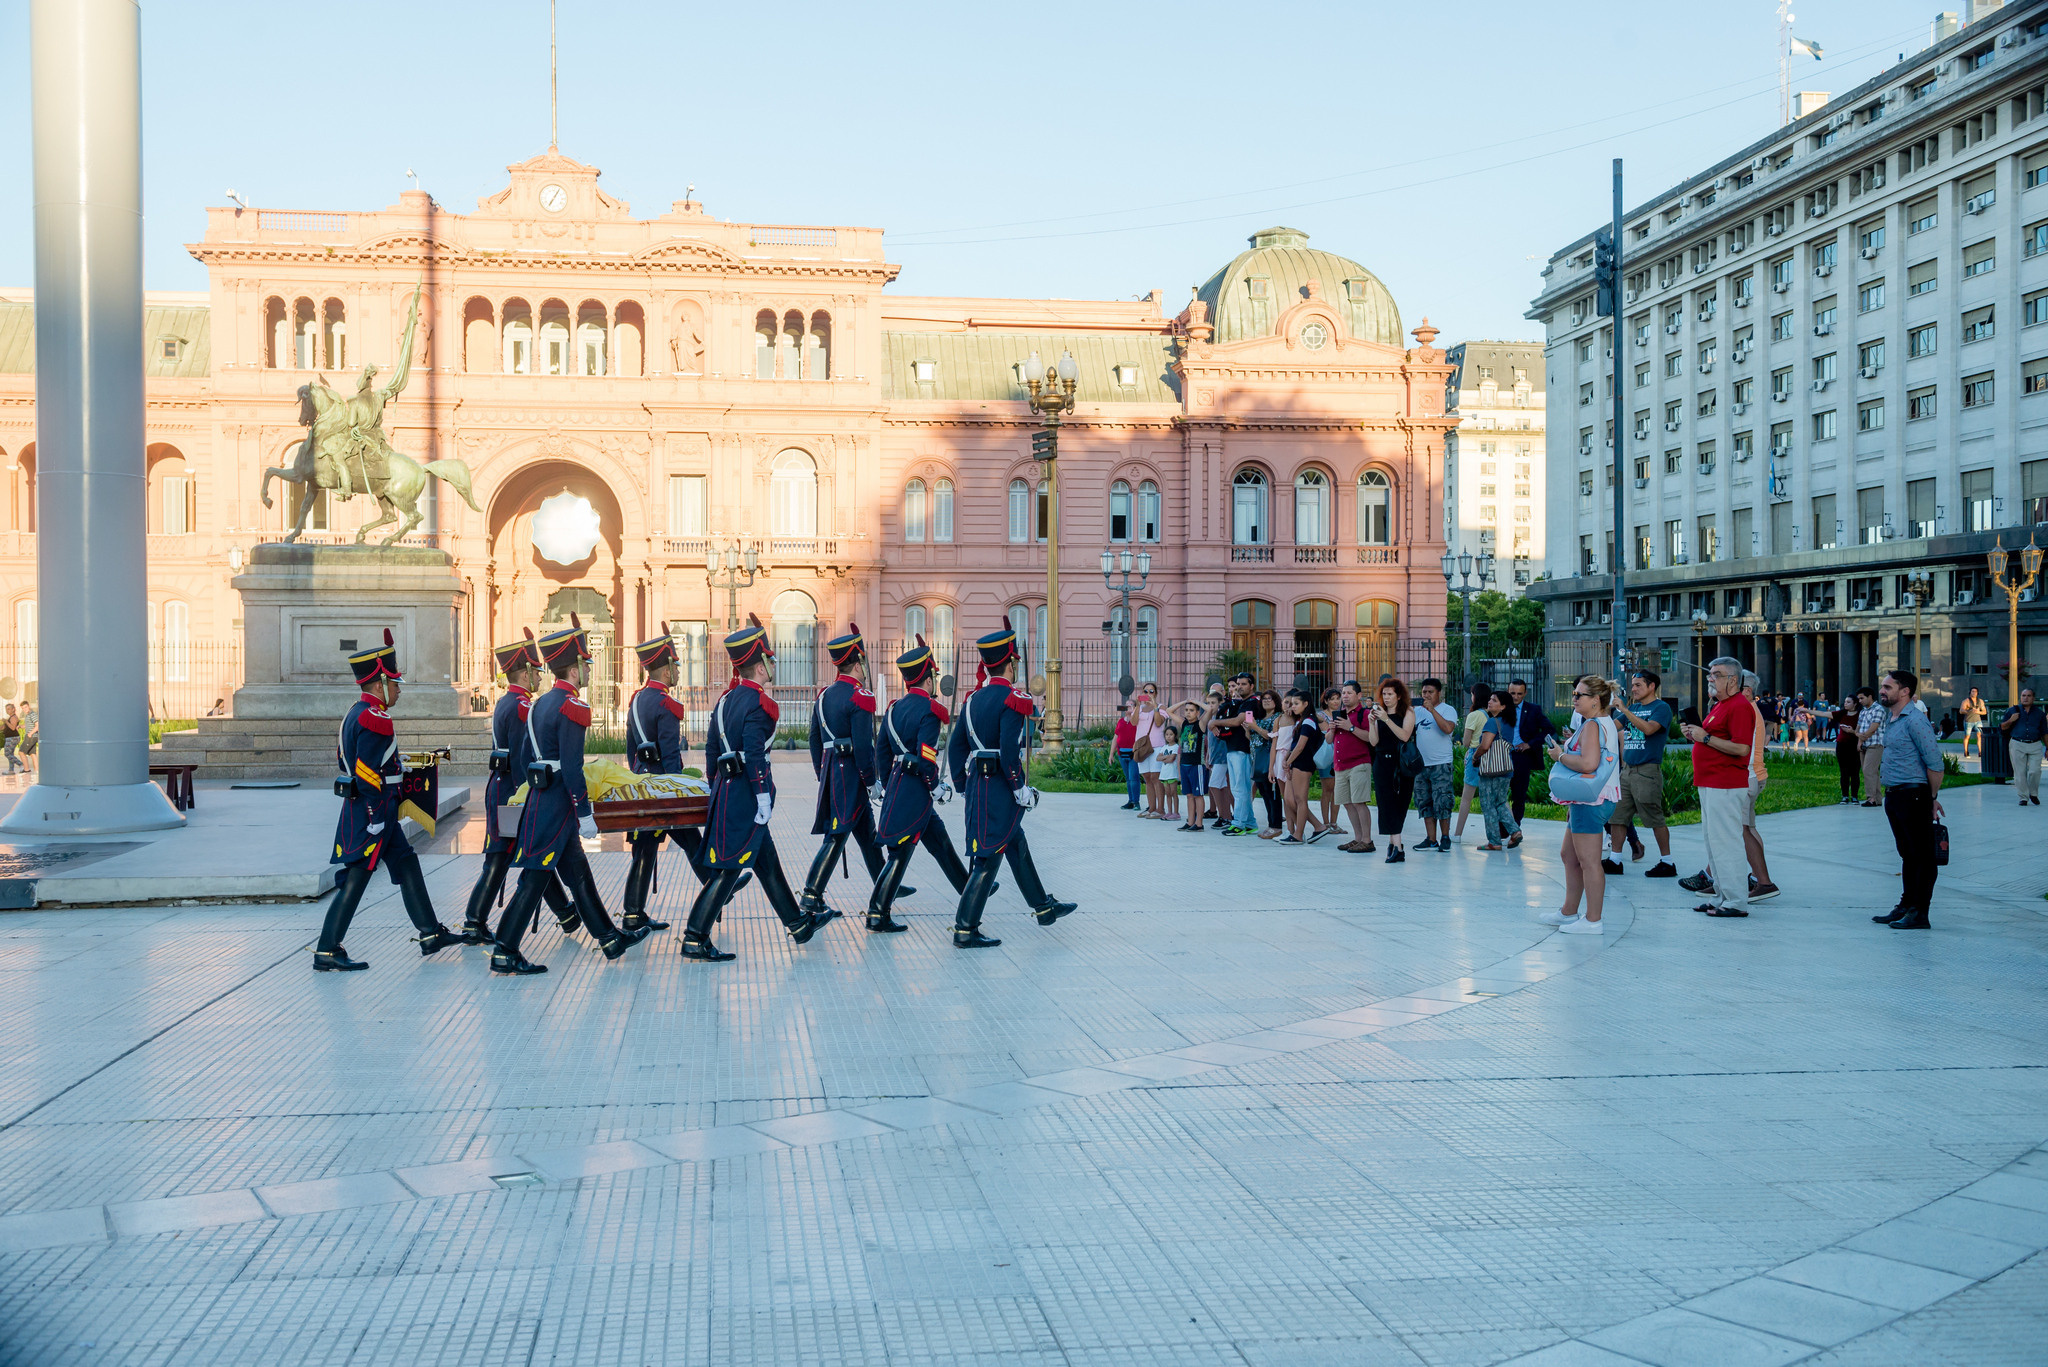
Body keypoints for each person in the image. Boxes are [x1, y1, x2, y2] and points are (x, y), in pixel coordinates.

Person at [488, 618, 649, 975]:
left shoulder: (540, 703)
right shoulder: (572, 706)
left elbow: (527, 760)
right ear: (575, 670)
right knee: (533, 879)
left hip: (541, 800)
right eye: (586, 664)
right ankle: (504, 948)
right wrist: (584, 811)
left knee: (578, 874)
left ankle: (609, 938)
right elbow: (573, 767)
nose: (589, 669)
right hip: (558, 806)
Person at [680, 615, 837, 962]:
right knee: (728, 869)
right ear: (760, 665)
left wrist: (715, 785)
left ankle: (798, 925)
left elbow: (710, 750)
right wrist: (762, 794)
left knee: (767, 862)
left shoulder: (724, 700)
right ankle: (694, 936)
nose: (774, 662)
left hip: (726, 791)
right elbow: (755, 754)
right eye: (770, 657)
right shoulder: (759, 702)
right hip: (746, 797)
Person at [313, 629, 465, 972]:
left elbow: (349, 759)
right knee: (356, 879)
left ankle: (430, 933)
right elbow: (367, 772)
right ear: (379, 682)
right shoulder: (375, 717)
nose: (399, 688)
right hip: (373, 813)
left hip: (377, 812)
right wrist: (375, 815)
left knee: (406, 863)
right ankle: (327, 949)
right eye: (394, 682)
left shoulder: (356, 712)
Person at [946, 627, 1077, 946]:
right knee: (989, 857)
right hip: (1000, 788)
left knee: (1015, 842)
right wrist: (1021, 790)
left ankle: (1043, 907)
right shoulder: (1014, 698)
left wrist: (963, 784)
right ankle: (965, 928)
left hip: (980, 784)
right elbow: (1008, 751)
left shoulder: (973, 698)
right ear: (1010, 664)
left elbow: (955, 747)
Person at [460, 632, 581, 944]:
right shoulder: (521, 707)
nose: (540, 678)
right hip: (513, 790)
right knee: (503, 858)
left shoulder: (507, 702)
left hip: (499, 788)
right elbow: (523, 757)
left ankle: (566, 913)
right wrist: (524, 796)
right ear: (526, 673)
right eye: (537, 672)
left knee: (533, 856)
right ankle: (474, 921)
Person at [800, 624, 915, 920]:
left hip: (832, 772)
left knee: (867, 833)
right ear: (859, 661)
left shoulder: (824, 695)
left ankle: (885, 884)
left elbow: (814, 739)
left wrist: (820, 771)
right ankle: (812, 896)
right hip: (851, 775)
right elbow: (864, 746)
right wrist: (872, 780)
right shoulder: (860, 696)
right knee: (837, 836)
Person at [868, 636, 979, 932]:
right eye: (934, 675)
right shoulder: (929, 710)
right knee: (899, 853)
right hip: (915, 791)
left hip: (898, 785)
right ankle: (877, 913)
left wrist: (883, 781)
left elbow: (882, 751)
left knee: (940, 842)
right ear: (928, 677)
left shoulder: (893, 709)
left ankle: (969, 890)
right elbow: (926, 759)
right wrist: (936, 787)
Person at [619, 624, 718, 936]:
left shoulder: (636, 700)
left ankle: (633, 914)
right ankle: (718, 888)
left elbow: (630, 749)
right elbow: (672, 758)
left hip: (641, 787)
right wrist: (681, 791)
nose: (678, 670)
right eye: (675, 665)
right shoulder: (666, 704)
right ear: (665, 669)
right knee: (691, 839)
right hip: (664, 790)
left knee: (644, 850)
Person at [1539, 675, 1620, 934]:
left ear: (1596, 700)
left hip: (1590, 799)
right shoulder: (1599, 723)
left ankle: (1593, 919)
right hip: (1589, 798)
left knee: (1588, 861)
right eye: (1574, 694)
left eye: (1579, 695)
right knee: (1570, 855)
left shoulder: (1594, 725)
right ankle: (1569, 911)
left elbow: (1588, 764)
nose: (1574, 698)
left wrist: (1559, 755)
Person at [1680, 657, 1756, 919]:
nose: (1710, 678)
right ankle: (1722, 897)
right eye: (1709, 674)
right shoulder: (1720, 706)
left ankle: (1736, 902)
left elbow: (1742, 748)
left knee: (1727, 843)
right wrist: (1695, 735)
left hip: (1725, 783)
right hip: (1711, 782)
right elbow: (1711, 740)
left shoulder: (1739, 707)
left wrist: (1706, 737)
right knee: (1714, 843)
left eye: (1716, 674)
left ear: (1733, 680)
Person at [1872, 670, 1946, 929]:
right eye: (1882, 686)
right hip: (1895, 796)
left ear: (1904, 691)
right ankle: (1906, 905)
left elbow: (1935, 764)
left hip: (1913, 795)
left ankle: (1919, 913)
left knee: (1922, 856)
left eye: (1887, 687)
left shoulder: (1915, 720)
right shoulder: (1893, 718)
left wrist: (1931, 798)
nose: (1882, 691)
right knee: (1908, 855)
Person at [1606, 669, 1678, 878]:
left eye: (1638, 685)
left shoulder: (1661, 708)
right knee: (1617, 817)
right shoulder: (1634, 707)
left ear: (1651, 686)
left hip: (1647, 772)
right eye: (1633, 685)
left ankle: (1667, 862)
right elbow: (1611, 728)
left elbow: (1649, 729)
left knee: (1654, 817)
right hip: (1627, 771)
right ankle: (1615, 860)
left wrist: (1626, 712)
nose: (1634, 688)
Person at [1365, 679, 1417, 862]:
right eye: (1384, 694)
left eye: (1390, 694)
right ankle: (1396, 845)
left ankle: (1396, 844)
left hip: (1401, 763)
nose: (1386, 698)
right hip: (1382, 762)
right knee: (1385, 804)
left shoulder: (1408, 712)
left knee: (1400, 803)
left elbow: (1404, 735)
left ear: (1399, 695)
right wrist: (1372, 723)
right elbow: (1373, 742)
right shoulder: (1380, 713)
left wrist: (1386, 720)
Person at [1327, 681, 1377, 854]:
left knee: (1359, 802)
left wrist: (1351, 727)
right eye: (1343, 693)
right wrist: (1332, 729)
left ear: (1359, 695)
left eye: (1349, 693)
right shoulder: (1339, 715)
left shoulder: (1365, 714)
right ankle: (1358, 838)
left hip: (1359, 763)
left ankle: (1367, 840)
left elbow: (1371, 738)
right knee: (1347, 803)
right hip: (1340, 765)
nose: (1345, 696)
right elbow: (1327, 740)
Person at [1410, 678, 1458, 851]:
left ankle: (1445, 837)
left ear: (1439, 693)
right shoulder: (1417, 711)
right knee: (1425, 801)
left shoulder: (1448, 710)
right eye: (1424, 692)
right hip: (1421, 764)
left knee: (1443, 800)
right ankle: (1431, 839)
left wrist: (1432, 711)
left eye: (1430, 692)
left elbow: (1447, 729)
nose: (1427, 695)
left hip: (1441, 763)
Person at [1213, 673, 1261, 836]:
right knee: (1240, 788)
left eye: (1243, 684)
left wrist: (1215, 722)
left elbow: (1237, 721)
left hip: (1243, 750)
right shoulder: (1243, 703)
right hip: (1234, 748)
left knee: (1240, 789)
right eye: (1238, 684)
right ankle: (1250, 823)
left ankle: (1239, 823)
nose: (1240, 687)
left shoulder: (1252, 702)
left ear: (1252, 685)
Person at [1473, 689, 1521, 849]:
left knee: (1488, 805)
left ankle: (1494, 841)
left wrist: (1475, 757)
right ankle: (1514, 831)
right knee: (1500, 802)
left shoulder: (1492, 722)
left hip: (1491, 770)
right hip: (1505, 768)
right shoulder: (1508, 723)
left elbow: (1485, 745)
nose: (1489, 702)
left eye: (1494, 700)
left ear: (1503, 707)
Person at [1275, 689, 1323, 844]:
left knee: (1300, 800)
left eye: (1296, 703)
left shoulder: (1309, 721)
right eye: (1291, 703)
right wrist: (1287, 761)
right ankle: (1318, 826)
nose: (1293, 706)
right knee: (1289, 799)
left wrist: (1288, 762)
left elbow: (1301, 746)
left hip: (1303, 763)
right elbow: (1293, 745)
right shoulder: (1300, 721)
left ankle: (1298, 834)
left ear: (1306, 704)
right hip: (1294, 763)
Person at [1506, 679, 1553, 822]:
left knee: (1519, 795)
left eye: (1519, 694)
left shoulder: (1533, 709)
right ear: (1508, 692)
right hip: (1503, 754)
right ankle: (1502, 828)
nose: (1515, 697)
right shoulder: (1501, 707)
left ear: (1525, 693)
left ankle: (1515, 827)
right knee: (1499, 793)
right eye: (1512, 693)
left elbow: (1548, 729)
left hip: (1522, 756)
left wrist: (1530, 744)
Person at [1450, 681, 1490, 846]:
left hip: (1475, 756)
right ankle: (1513, 831)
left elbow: (1466, 742)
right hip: (1490, 757)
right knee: (1496, 798)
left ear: (1475, 696)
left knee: (1467, 798)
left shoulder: (1473, 716)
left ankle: (1458, 834)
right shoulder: (1491, 714)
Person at [1250, 688, 1284, 835]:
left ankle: (1276, 825)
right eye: (1264, 699)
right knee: (1264, 793)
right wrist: (1248, 728)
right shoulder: (1260, 718)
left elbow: (1270, 736)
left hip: (1270, 760)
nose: (1266, 701)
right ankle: (1271, 824)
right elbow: (1251, 738)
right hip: (1257, 760)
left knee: (1272, 794)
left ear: (1276, 702)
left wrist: (1254, 727)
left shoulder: (1277, 717)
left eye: (1269, 698)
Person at [2002, 688, 2044, 805]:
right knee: (2019, 772)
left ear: (2033, 698)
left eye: (2028, 696)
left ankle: (2033, 793)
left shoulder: (2039, 713)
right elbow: (2002, 727)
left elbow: (2045, 732)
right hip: (2017, 743)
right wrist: (2011, 720)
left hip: (2035, 744)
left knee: (2035, 771)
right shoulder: (2013, 711)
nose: (2025, 698)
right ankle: (2023, 797)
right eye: (2023, 695)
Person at [1133, 683, 1166, 819]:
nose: (1148, 693)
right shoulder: (1139, 708)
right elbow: (1134, 722)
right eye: (1145, 691)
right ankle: (1151, 807)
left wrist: (1155, 706)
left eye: (1151, 691)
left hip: (1156, 746)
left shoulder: (1161, 707)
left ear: (1156, 693)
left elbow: (1159, 722)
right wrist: (1136, 706)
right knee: (1147, 778)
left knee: (1155, 777)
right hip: (1142, 747)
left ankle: (1160, 809)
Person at [1315, 688, 1344, 835]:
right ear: (1326, 701)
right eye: (1332, 699)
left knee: (1338, 790)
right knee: (1327, 789)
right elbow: (1327, 731)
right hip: (1327, 755)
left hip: (1341, 754)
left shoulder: (1343, 715)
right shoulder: (1320, 716)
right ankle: (1325, 823)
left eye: (1338, 698)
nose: (1335, 702)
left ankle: (1334, 823)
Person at [1178, 700, 1209, 832]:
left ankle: (1199, 823)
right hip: (1184, 764)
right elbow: (1169, 711)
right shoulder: (1184, 723)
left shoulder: (1200, 724)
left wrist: (1196, 702)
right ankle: (1190, 821)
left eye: (1191, 710)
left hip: (1197, 765)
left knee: (1198, 795)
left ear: (1197, 713)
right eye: (1186, 710)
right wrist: (1184, 702)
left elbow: (1209, 709)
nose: (1188, 713)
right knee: (1189, 795)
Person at [1832, 692, 1864, 803]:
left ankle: (1854, 796)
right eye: (1845, 702)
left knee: (1855, 772)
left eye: (1848, 702)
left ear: (1855, 704)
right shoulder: (1842, 714)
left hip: (1855, 746)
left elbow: (1862, 732)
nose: (1845, 704)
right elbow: (1824, 714)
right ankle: (1844, 796)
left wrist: (1852, 731)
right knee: (1844, 772)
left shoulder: (1861, 715)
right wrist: (1806, 711)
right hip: (1842, 745)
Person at [1857, 687, 1885, 807]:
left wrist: (1862, 737)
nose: (1860, 701)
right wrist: (1859, 742)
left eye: (1862, 698)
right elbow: (1859, 728)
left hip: (1875, 743)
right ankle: (1878, 799)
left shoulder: (1878, 709)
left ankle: (1871, 798)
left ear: (1870, 697)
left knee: (1868, 771)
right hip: (1864, 745)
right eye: (1858, 699)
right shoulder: (1863, 711)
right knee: (1872, 772)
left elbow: (1873, 728)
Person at [1112, 701, 1140, 810]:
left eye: (1131, 705)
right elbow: (1116, 737)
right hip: (1121, 753)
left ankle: (1136, 802)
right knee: (1128, 778)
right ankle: (1131, 800)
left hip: (1133, 753)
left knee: (1134, 777)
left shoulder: (1137, 721)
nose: (1128, 706)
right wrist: (1111, 754)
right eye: (1126, 705)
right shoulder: (1120, 722)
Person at [1961, 686, 1989, 760]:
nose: (1974, 693)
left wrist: (1978, 712)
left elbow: (1984, 712)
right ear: (1970, 692)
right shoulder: (1966, 701)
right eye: (1972, 691)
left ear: (1977, 693)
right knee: (1967, 736)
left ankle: (1980, 752)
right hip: (1968, 721)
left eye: (1975, 692)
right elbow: (1961, 711)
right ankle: (1966, 751)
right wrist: (1969, 711)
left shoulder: (1980, 701)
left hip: (1978, 720)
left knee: (1980, 735)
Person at [1, 704, 19, 774]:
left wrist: (6, 721)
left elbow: (12, 728)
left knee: (7, 754)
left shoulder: (13, 717)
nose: (7, 710)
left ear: (13, 709)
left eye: (8, 709)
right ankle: (11, 770)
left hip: (12, 738)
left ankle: (21, 764)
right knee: (10, 754)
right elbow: (4, 727)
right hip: (10, 738)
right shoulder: (10, 718)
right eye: (6, 709)